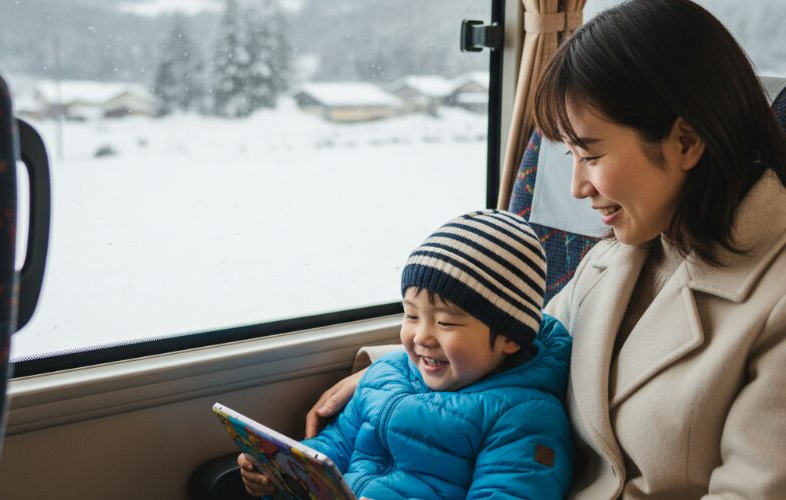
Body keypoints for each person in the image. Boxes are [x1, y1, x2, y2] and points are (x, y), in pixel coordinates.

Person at [305, 0, 786, 498]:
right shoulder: (618, 256)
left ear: (685, 141)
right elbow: (529, 348)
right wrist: (393, 373)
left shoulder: (776, 299)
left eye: (592, 155)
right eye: (571, 157)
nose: (577, 187)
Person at [239, 210, 575, 498]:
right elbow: (338, 444)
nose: (421, 336)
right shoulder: (386, 374)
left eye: (444, 322)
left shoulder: (524, 416)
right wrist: (282, 470)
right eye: (411, 315)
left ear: (510, 338)